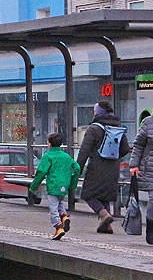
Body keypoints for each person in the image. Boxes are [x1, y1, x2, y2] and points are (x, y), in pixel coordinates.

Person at [76, 101, 130, 233]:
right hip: (113, 167)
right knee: (105, 195)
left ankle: (104, 214)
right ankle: (106, 226)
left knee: (89, 194)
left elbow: (84, 150)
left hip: (96, 167)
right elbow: (126, 149)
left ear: (98, 112)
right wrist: (114, 157)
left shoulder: (93, 128)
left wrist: (78, 168)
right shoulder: (117, 127)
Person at [29, 133, 80, 240]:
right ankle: (64, 216)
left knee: (53, 206)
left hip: (53, 184)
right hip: (64, 184)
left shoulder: (48, 156)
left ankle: (58, 226)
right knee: (59, 202)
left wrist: (34, 187)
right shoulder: (66, 156)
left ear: (50, 144)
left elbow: (41, 172)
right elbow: (77, 167)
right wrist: (72, 185)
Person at [129, 112, 153, 245]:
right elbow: (138, 145)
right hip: (149, 168)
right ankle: (151, 230)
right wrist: (134, 164)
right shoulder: (148, 122)